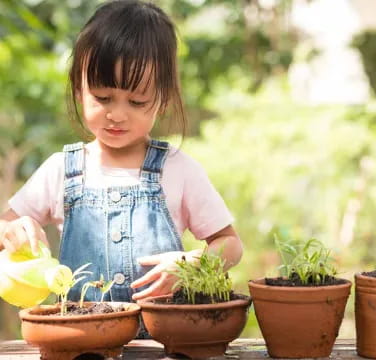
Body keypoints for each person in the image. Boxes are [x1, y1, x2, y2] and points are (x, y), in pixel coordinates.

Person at [0, 0, 242, 304]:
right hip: (81, 342)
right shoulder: (61, 169)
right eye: (103, 97)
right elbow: (4, 227)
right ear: (79, 88)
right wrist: (14, 230)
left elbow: (230, 244)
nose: (117, 114)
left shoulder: (179, 170)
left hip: (160, 345)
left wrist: (191, 264)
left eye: (137, 102)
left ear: (163, 99)